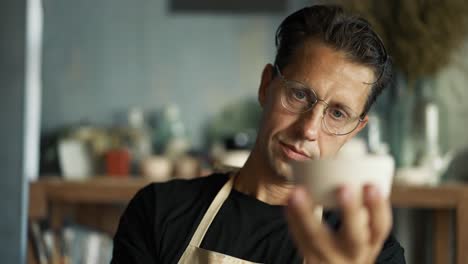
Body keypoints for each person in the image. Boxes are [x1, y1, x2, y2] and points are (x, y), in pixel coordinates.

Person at [111, 5, 406, 264]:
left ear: (355, 130)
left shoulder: (370, 254)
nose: (309, 129)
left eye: (337, 113)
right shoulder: (160, 211)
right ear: (267, 85)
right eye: (299, 95)